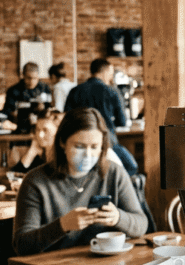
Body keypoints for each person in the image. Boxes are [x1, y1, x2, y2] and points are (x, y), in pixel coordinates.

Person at [13, 107, 147, 256]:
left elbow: (141, 224)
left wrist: (118, 218)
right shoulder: (35, 181)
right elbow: (21, 245)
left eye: (95, 147)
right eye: (79, 146)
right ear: (62, 142)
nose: (88, 155)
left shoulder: (114, 173)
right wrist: (62, 225)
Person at [64, 58, 138, 176]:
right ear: (106, 71)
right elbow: (122, 121)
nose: (111, 75)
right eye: (111, 72)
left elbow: (66, 119)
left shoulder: (75, 91)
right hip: (107, 141)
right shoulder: (112, 91)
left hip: (79, 144)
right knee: (131, 167)